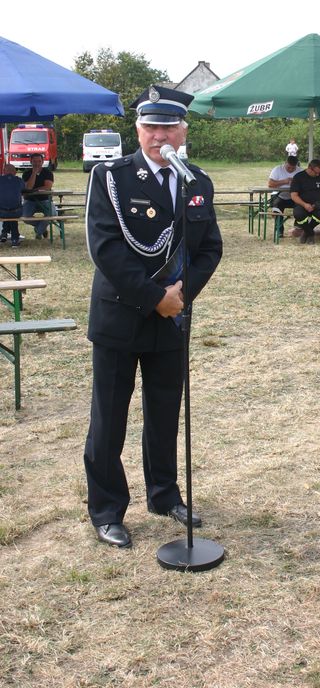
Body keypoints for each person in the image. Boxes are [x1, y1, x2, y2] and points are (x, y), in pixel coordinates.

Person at [84, 85, 223, 548]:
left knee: (165, 413)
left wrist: (180, 295)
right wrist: (154, 297)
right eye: (150, 126)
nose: (158, 134)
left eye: (168, 126)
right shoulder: (111, 177)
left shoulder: (195, 181)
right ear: (137, 130)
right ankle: (106, 510)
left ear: (183, 131)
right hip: (122, 316)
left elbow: (209, 248)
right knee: (110, 418)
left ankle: (164, 494)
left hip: (172, 317)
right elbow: (105, 248)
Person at [290, 158, 320, 244]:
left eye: (319, 172)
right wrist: (305, 204)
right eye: (316, 172)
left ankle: (306, 232)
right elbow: (293, 195)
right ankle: (310, 233)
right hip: (301, 204)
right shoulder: (298, 177)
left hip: (317, 204)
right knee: (298, 214)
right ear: (309, 168)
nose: (317, 174)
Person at [22, 153, 56, 239]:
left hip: (45, 199)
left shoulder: (48, 173)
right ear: (31, 162)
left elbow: (47, 187)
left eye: (39, 161)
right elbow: (28, 187)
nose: (37, 163)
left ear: (42, 162)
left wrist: (34, 190)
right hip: (30, 200)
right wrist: (34, 173)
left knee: (52, 214)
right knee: (25, 217)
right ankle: (42, 228)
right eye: (34, 161)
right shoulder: (26, 173)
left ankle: (38, 232)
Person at [267, 153, 302, 236]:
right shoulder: (277, 169)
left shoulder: (300, 171)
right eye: (289, 167)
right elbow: (270, 184)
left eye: (293, 168)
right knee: (277, 206)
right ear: (285, 163)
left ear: (296, 166)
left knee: (301, 205)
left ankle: (298, 228)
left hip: (294, 196)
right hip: (279, 196)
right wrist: (284, 181)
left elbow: (305, 185)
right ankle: (279, 231)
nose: (290, 169)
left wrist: (296, 183)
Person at [0, 164, 25, 247]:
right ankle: (14, 239)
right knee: (13, 211)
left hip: (1, 212)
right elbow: (24, 189)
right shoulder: (19, 180)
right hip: (16, 212)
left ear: (4, 171)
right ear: (15, 172)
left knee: (7, 211)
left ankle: (4, 233)